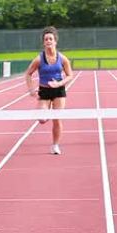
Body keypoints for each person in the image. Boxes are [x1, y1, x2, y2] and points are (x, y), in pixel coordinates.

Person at [25, 26, 74, 155]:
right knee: (42, 119)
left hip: (58, 91)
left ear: (55, 41)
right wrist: (31, 89)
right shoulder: (39, 59)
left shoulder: (63, 59)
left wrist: (59, 83)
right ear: (43, 42)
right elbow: (28, 74)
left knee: (57, 119)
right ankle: (46, 111)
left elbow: (70, 75)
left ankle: (55, 145)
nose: (48, 41)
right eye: (46, 39)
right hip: (44, 91)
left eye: (50, 39)